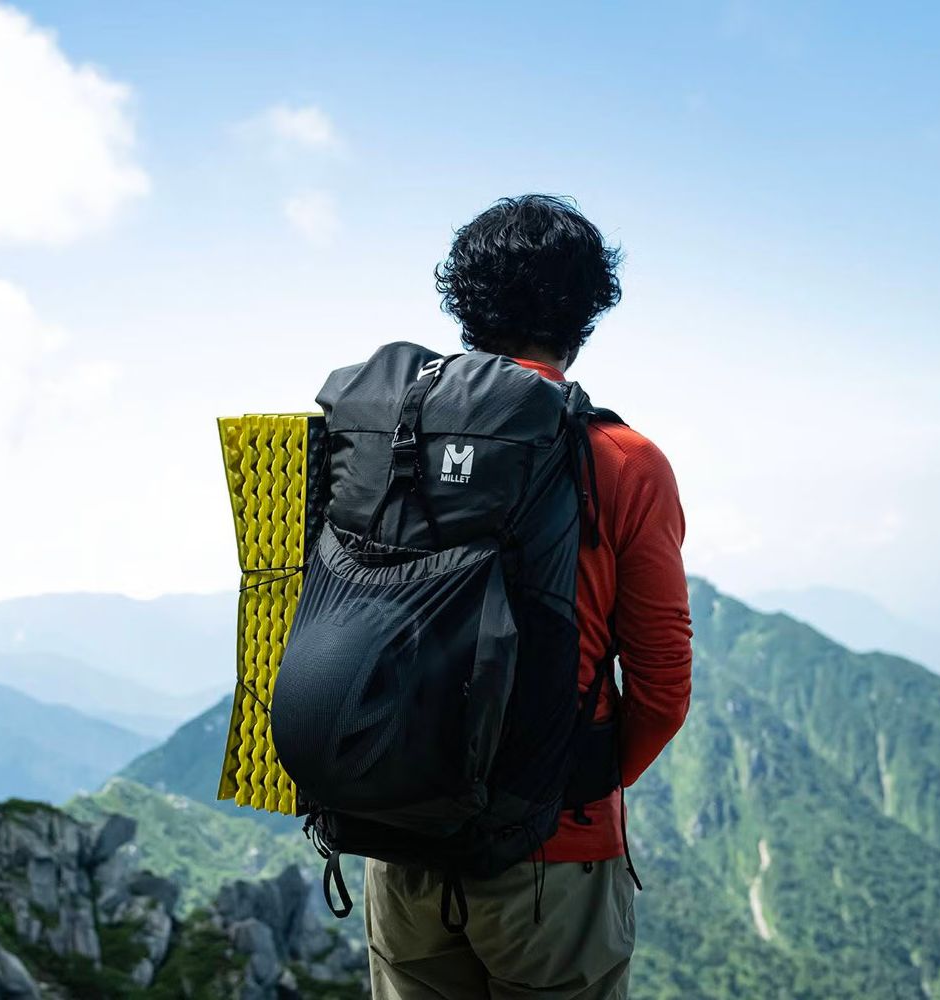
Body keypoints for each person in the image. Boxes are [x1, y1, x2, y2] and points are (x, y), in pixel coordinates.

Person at [363, 194, 694, 999]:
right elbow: (661, 692)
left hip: (398, 840)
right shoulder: (623, 460)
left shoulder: (378, 438)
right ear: (586, 313)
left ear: (466, 309)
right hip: (552, 856)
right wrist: (558, 786)